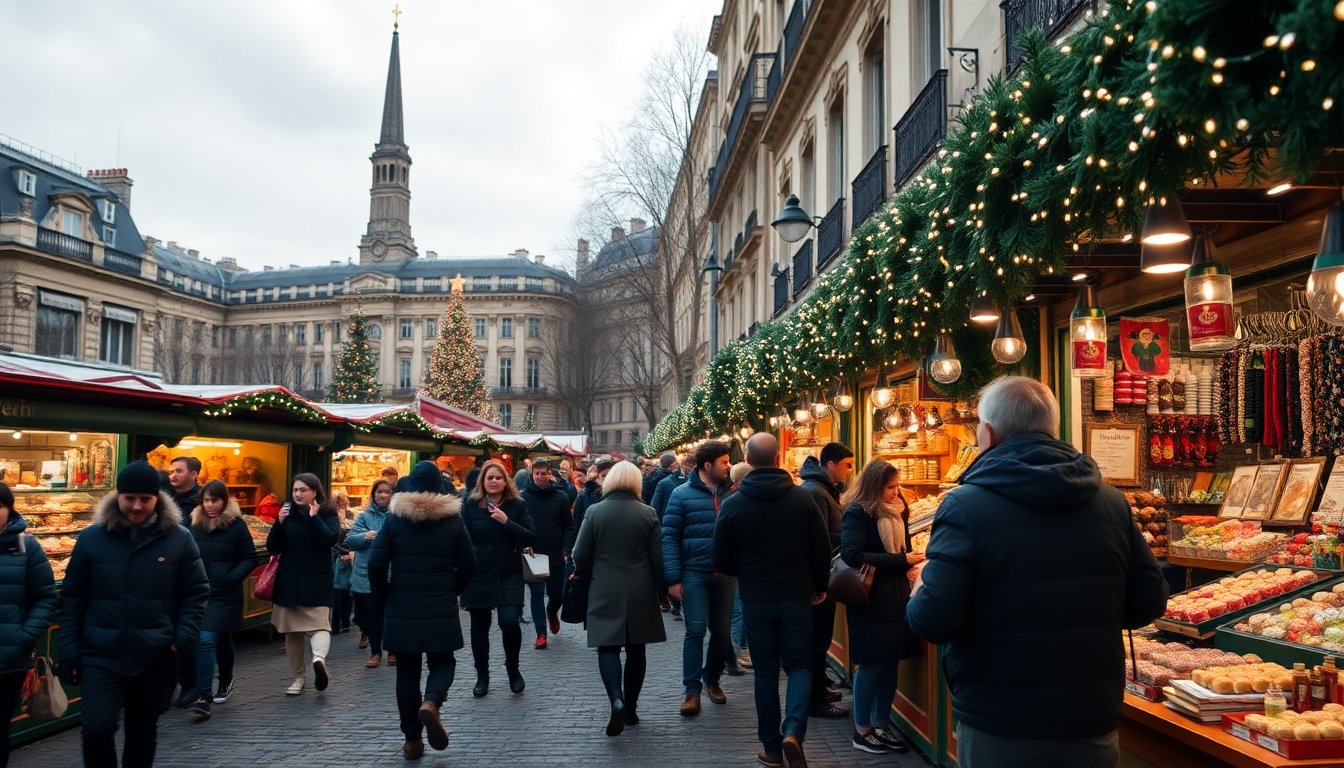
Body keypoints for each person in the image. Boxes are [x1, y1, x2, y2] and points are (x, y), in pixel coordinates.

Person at [907, 376, 1168, 768]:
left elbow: (933, 620)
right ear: (1052, 428)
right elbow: (1148, 600)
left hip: (1001, 717)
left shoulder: (964, 506)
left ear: (989, 434)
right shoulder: (1111, 502)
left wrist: (920, 589)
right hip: (1089, 715)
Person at [58, 460, 209, 768]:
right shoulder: (91, 538)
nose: (137, 506)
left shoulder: (179, 538)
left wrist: (179, 640)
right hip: (101, 652)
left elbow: (196, 592)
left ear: (158, 499)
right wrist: (70, 651)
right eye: (130, 498)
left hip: (155, 654)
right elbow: (73, 597)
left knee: (142, 731)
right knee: (97, 727)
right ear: (117, 496)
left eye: (145, 499)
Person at [713, 433, 830, 768]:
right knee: (799, 666)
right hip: (796, 595)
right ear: (779, 458)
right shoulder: (801, 499)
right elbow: (820, 549)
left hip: (756, 598)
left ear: (747, 461)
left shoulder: (734, 504)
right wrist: (819, 585)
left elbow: (721, 558)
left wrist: (746, 570)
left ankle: (773, 748)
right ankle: (794, 730)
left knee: (765, 673)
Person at [369, 461, 477, 760]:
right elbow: (469, 563)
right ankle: (431, 703)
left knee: (406, 670)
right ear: (440, 486)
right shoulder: (453, 520)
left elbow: (377, 563)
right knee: (443, 662)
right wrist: (453, 588)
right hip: (439, 602)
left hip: (401, 603)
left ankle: (412, 741)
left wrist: (384, 594)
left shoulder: (394, 519)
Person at [571, 461, 666, 738]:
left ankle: (616, 699)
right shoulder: (648, 513)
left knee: (607, 648)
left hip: (604, 587)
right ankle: (632, 708)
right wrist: (663, 590)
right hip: (640, 589)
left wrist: (587, 571)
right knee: (637, 651)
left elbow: (579, 553)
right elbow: (658, 559)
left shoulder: (594, 511)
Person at [838, 461, 921, 754]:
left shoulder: (901, 510)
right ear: (875, 487)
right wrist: (903, 561)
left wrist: (906, 565)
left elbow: (904, 547)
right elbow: (852, 554)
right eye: (890, 487)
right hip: (870, 599)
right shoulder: (858, 512)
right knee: (871, 663)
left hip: (896, 596)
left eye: (897, 486)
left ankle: (882, 723)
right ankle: (862, 730)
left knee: (891, 661)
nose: (896, 493)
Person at [663, 440, 734, 715]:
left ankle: (712, 679)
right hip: (694, 572)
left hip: (726, 574)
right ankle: (691, 690)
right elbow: (668, 537)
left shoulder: (733, 494)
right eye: (724, 462)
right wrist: (673, 578)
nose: (728, 466)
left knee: (722, 633)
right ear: (708, 465)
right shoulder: (681, 495)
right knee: (694, 630)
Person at [460, 460, 536, 696]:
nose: (493, 481)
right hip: (478, 574)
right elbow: (461, 538)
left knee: (509, 621)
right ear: (482, 481)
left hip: (508, 573)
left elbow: (530, 537)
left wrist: (506, 522)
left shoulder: (517, 505)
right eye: (489, 477)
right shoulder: (470, 505)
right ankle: (482, 675)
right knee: (479, 627)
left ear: (506, 481)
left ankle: (513, 669)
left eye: (498, 477)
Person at [186, 480, 259, 722]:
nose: (210, 505)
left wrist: (231, 578)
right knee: (216, 638)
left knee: (209, 638)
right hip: (200, 593)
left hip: (225, 593)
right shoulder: (194, 525)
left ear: (224, 501)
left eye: (214, 500)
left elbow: (250, 557)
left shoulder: (236, 525)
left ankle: (215, 687)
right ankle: (208, 691)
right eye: (206, 500)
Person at [266, 472, 341, 696]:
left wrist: (313, 518)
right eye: (295, 490)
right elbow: (273, 546)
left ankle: (318, 660)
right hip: (289, 580)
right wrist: (279, 523)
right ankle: (298, 678)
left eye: (303, 490)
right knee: (292, 632)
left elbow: (329, 540)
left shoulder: (327, 513)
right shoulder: (285, 513)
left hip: (316, 579)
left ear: (314, 492)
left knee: (320, 624)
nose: (298, 494)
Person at [0, 481, 57, 768]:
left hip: (8, 661)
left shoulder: (27, 547)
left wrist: (24, 637)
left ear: (9, 510)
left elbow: (46, 597)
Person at [798, 443, 855, 719]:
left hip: (826, 574)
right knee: (815, 641)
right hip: (822, 577)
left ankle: (818, 689)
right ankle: (814, 700)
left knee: (820, 640)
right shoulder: (815, 491)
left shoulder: (823, 489)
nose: (850, 470)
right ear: (830, 464)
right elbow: (817, 540)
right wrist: (850, 540)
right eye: (847, 464)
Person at [165, 455, 204, 708]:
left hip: (191, 573)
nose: (173, 475)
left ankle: (190, 685)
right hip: (165, 573)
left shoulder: (203, 502)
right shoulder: (163, 500)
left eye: (178, 471)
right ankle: (167, 686)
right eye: (171, 471)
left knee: (187, 634)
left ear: (194, 474)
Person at [519, 459, 570, 649]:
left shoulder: (561, 497)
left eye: (543, 473)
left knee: (557, 595)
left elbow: (568, 525)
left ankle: (552, 613)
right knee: (537, 593)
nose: (540, 477)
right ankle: (541, 632)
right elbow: (519, 526)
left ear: (550, 474)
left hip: (555, 553)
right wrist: (523, 545)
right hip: (533, 554)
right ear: (532, 474)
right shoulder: (523, 497)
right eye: (536, 473)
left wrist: (566, 548)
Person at [347, 479, 393, 667]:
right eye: (379, 492)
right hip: (367, 572)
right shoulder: (364, 516)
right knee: (372, 614)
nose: (382, 495)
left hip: (392, 571)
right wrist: (365, 536)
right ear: (373, 495)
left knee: (390, 613)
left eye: (386, 492)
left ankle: (393, 650)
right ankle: (375, 652)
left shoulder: (398, 515)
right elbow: (350, 540)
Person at [727, 462, 754, 673]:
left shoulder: (732, 498)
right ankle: (738, 653)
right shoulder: (737, 498)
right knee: (739, 611)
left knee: (739, 610)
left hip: (737, 563)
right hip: (742, 565)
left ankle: (738, 652)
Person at [563, 458, 614, 558]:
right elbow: (577, 526)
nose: (606, 479)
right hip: (590, 549)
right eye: (603, 476)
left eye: (609, 476)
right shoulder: (584, 495)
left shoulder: (619, 496)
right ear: (597, 476)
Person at [331, 522, 354, 635]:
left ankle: (336, 626)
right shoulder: (345, 533)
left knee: (337, 597)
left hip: (337, 566)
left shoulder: (335, 532)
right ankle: (345, 623)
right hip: (344, 566)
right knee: (345, 595)